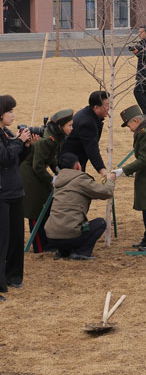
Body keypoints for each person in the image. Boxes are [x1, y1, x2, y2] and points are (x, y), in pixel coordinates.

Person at [112, 105, 146, 251]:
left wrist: (122, 171)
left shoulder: (144, 133)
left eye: (129, 124)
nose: (130, 128)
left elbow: (143, 160)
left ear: (135, 121)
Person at [45, 152, 116, 260]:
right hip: (70, 235)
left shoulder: (58, 181)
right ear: (77, 166)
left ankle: (62, 251)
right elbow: (106, 192)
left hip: (51, 236)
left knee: (69, 223)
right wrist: (110, 180)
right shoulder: (80, 180)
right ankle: (81, 252)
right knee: (99, 223)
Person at [21, 109, 74, 254]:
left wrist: (58, 171)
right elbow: (37, 166)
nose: (72, 128)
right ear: (60, 127)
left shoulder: (55, 138)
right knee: (35, 208)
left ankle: (48, 242)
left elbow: (51, 158)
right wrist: (52, 180)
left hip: (38, 172)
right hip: (30, 174)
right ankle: (39, 246)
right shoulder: (46, 140)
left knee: (47, 205)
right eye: (69, 125)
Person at [0, 95, 37, 296]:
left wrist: (26, 146)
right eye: (10, 111)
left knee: (16, 238)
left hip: (15, 191)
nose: (13, 115)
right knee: (2, 239)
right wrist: (19, 142)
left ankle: (14, 276)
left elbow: (16, 159)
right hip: (2, 195)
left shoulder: (6, 133)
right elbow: (3, 158)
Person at [62, 91, 110, 177]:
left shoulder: (88, 113)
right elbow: (92, 149)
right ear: (96, 107)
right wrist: (103, 171)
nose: (109, 107)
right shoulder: (87, 123)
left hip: (76, 159)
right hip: (71, 163)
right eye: (106, 105)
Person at [131, 26, 146, 117]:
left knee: (137, 92)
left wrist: (137, 52)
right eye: (138, 32)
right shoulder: (145, 43)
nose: (139, 34)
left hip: (145, 72)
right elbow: (144, 57)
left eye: (141, 32)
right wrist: (136, 52)